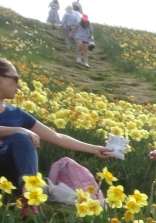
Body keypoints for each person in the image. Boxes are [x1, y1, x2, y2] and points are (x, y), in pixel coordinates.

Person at [0, 58, 114, 210]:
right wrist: (19, 129)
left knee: (21, 138)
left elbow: (57, 137)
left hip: (9, 173)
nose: (19, 85)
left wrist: (94, 148)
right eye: (16, 78)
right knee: (21, 135)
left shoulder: (17, 114)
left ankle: (29, 201)